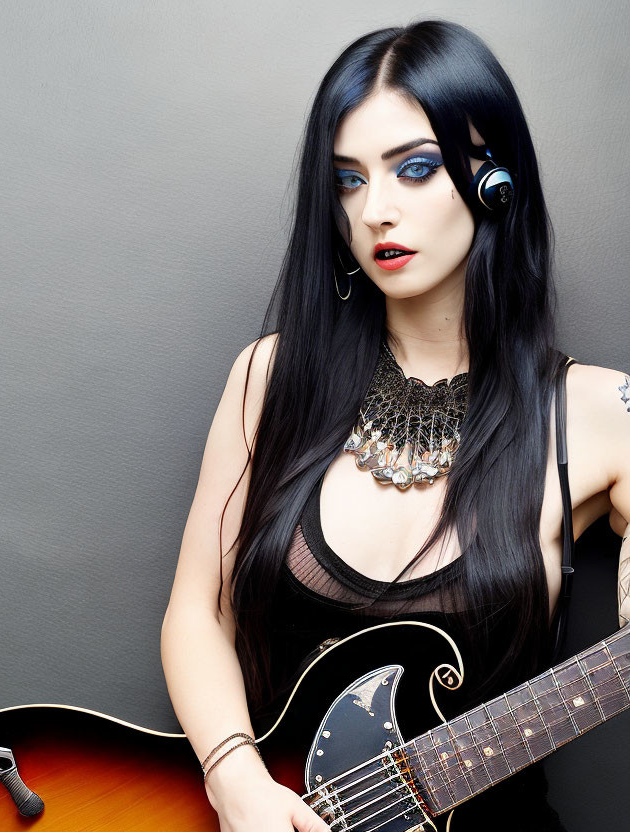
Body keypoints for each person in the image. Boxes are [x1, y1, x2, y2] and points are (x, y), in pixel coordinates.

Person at [160, 19, 630, 832]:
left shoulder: (598, 411)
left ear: (496, 182)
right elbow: (197, 609)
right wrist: (234, 777)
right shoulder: (269, 377)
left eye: (414, 170)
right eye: (347, 181)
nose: (375, 211)